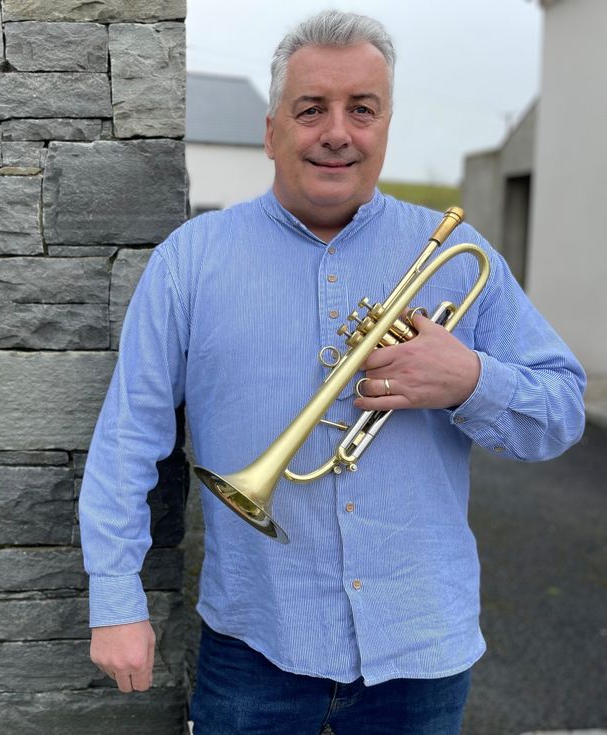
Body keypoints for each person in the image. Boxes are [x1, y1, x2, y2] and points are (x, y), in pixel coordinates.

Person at [78, 9, 586, 734]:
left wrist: (470, 379)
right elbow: (130, 437)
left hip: (420, 653)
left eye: (362, 110)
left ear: (384, 127)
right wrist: (116, 597)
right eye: (311, 108)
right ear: (271, 129)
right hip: (256, 647)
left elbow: (563, 410)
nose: (337, 132)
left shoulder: (457, 251)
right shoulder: (191, 261)